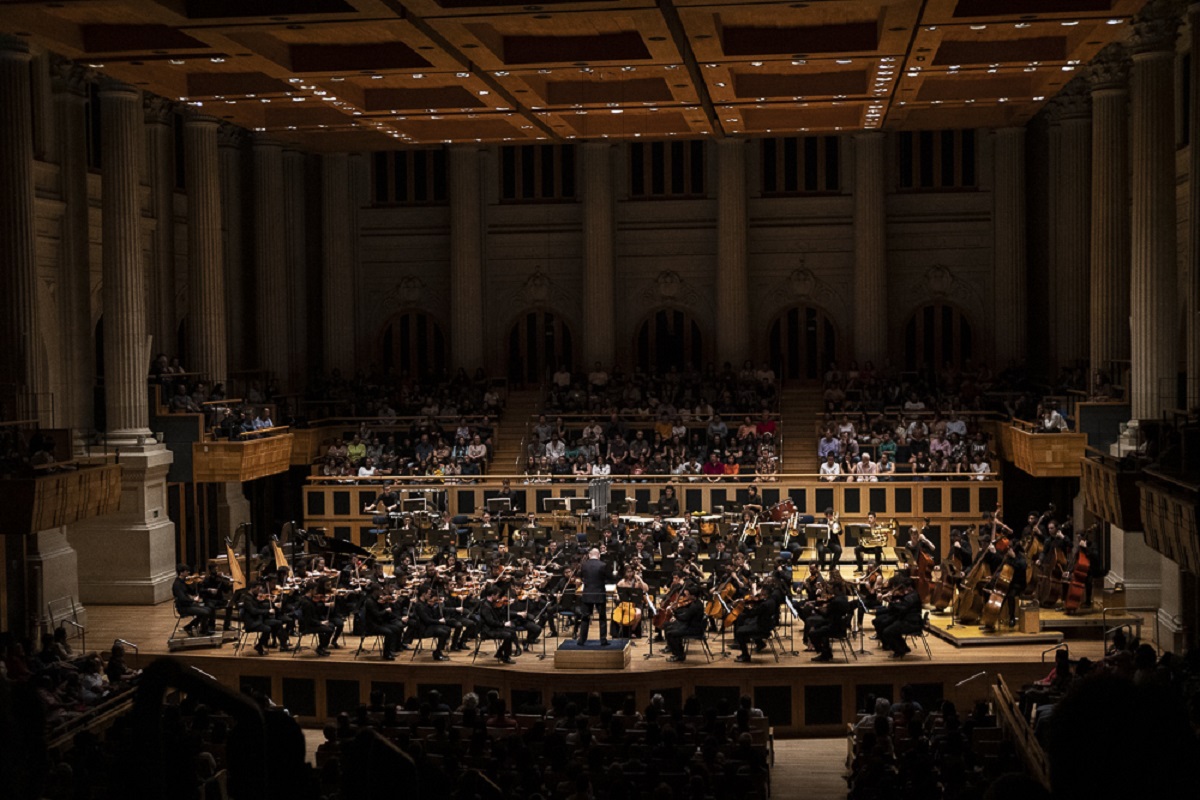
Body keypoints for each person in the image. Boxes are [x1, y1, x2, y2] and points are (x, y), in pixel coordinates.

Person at [878, 576, 923, 658]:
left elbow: (902, 609)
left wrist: (891, 602)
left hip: (911, 623)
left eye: (904, 588)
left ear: (909, 588)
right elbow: (901, 607)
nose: (902, 591)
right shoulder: (910, 594)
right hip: (906, 620)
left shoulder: (912, 597)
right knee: (886, 626)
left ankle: (899, 650)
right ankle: (903, 648)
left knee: (888, 632)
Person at [576, 548, 609, 647]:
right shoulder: (603, 565)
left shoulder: (584, 565)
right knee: (602, 617)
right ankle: (603, 640)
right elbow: (608, 578)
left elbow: (581, 577)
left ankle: (582, 640)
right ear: (598, 555)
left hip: (587, 593)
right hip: (600, 594)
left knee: (585, 618)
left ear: (590, 555)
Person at [664, 586, 706, 662]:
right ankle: (678, 652)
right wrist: (676, 612)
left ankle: (679, 655)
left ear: (693, 596)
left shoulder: (695, 606)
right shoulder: (696, 602)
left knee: (670, 633)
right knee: (668, 626)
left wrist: (674, 613)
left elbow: (685, 618)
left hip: (693, 629)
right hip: (691, 625)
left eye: (688, 595)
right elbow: (685, 613)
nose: (686, 596)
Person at [173, 564, 215, 636]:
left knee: (209, 609)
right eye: (186, 571)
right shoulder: (177, 584)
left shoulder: (183, 582)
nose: (188, 573)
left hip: (188, 604)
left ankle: (189, 627)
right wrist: (193, 600)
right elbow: (182, 598)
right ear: (181, 573)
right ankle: (203, 630)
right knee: (205, 612)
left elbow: (192, 592)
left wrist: (198, 582)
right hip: (183, 607)